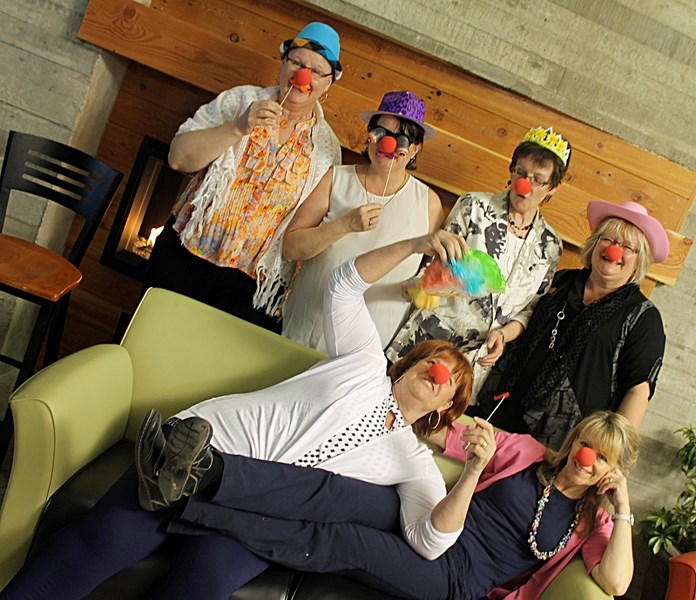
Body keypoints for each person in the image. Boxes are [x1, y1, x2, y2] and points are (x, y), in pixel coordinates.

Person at [1, 231, 474, 600]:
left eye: (452, 378)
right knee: (103, 542)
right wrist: (415, 244)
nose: (438, 372)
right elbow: (345, 282)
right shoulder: (366, 362)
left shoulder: (413, 459)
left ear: (446, 408)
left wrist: (472, 470)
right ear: (409, 363)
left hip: (258, 512)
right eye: (433, 360)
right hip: (205, 448)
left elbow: (431, 540)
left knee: (205, 582)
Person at [143, 22, 343, 332]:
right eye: (296, 62)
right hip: (186, 255)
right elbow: (178, 158)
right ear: (282, 61)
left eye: (317, 71)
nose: (303, 75)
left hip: (249, 286)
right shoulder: (239, 101)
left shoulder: (327, 152)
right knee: (149, 344)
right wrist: (237, 127)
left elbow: (302, 233)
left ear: (329, 84)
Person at [386, 126, 570, 397]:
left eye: (538, 180)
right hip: (427, 341)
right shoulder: (474, 207)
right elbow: (435, 264)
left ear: (553, 187)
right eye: (520, 173)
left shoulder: (551, 245)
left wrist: (504, 336)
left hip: (472, 365)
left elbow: (529, 310)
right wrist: (419, 285)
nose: (525, 185)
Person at [470, 200, 669, 449]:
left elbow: (637, 391)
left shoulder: (643, 318)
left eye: (627, 246)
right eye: (608, 239)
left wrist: (611, 455)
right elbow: (527, 317)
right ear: (594, 243)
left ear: (639, 261)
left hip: (561, 443)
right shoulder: (562, 281)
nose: (615, 250)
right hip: (504, 412)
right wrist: (502, 334)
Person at [282, 90, 445, 351]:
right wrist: (344, 225)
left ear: (415, 148)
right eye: (380, 133)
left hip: (365, 348)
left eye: (400, 139)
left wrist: (419, 289)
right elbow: (291, 247)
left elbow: (431, 278)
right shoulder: (336, 179)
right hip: (309, 330)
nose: (387, 144)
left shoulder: (429, 204)